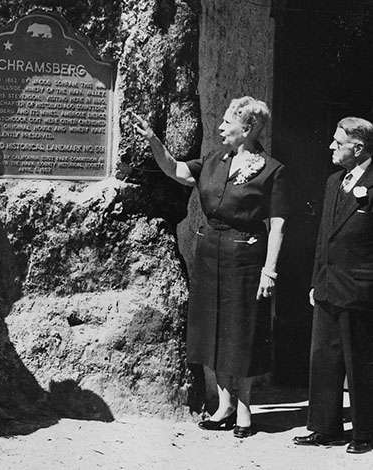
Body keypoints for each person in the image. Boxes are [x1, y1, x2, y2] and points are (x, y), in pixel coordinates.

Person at [132, 96, 289, 438]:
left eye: (227, 122)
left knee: (242, 332)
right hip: (209, 254)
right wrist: (154, 142)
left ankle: (245, 408)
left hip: (247, 259)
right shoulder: (214, 160)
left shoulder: (272, 170)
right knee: (212, 329)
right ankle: (224, 405)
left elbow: (277, 224)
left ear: (247, 129)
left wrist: (269, 270)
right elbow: (175, 170)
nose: (219, 127)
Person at [294, 117, 373, 454]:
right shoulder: (333, 183)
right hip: (327, 285)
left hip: (360, 288)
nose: (330, 146)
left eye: (337, 142)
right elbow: (323, 237)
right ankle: (325, 427)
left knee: (360, 361)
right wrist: (315, 280)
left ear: (358, 148)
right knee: (324, 358)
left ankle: (365, 432)